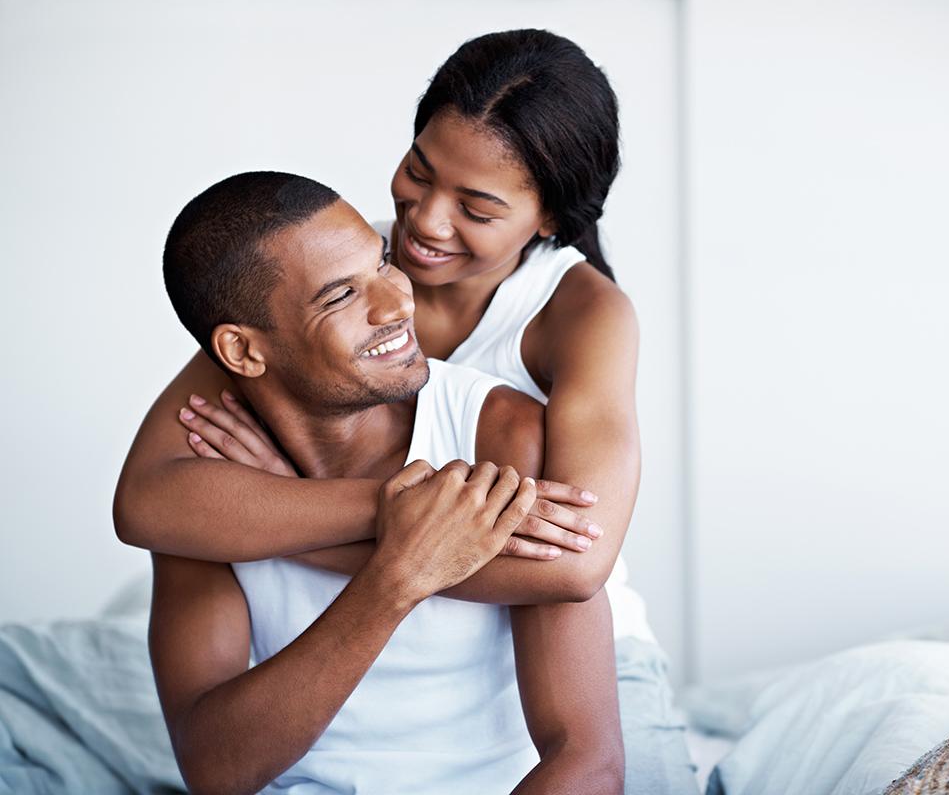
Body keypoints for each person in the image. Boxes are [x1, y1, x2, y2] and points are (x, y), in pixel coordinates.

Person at [115, 29, 696, 792]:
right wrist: (402, 522)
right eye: (419, 172)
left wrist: (296, 527)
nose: (423, 224)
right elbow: (151, 500)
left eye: (477, 207)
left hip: (579, 637)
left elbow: (576, 562)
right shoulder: (327, 270)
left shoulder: (578, 320)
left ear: (548, 219)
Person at [148, 171, 622, 794]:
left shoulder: (500, 435)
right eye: (341, 296)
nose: (400, 304)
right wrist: (396, 578)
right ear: (242, 352)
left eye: (385, 262)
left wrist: (400, 528)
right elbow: (215, 769)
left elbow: (589, 761)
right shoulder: (209, 478)